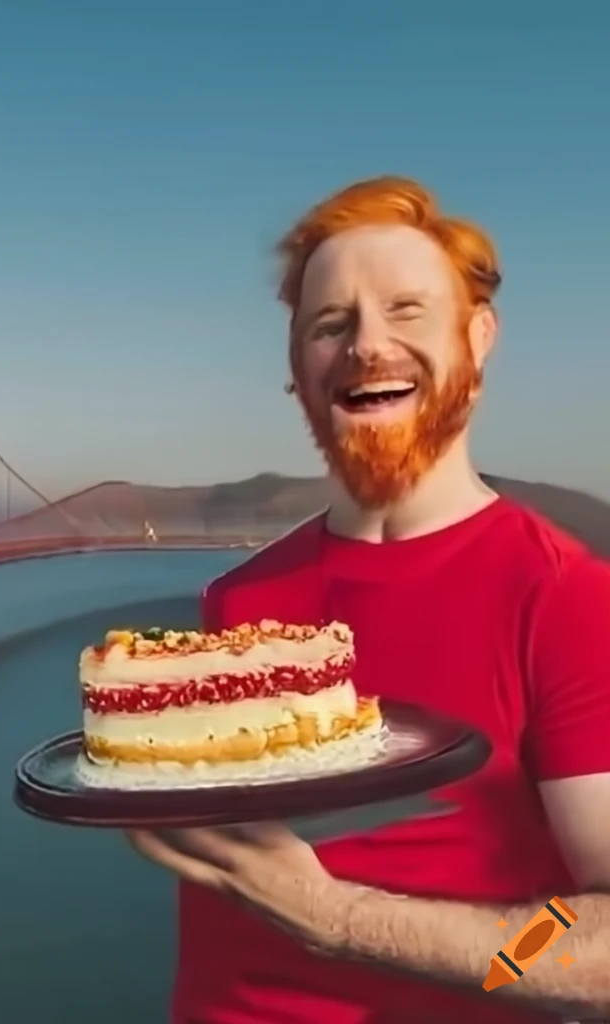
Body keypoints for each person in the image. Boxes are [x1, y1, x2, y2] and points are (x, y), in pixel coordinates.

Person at [127, 177, 610, 1023]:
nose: (365, 346)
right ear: (297, 366)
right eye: (330, 324)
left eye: (406, 311)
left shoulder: (565, 599)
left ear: (478, 336)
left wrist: (342, 922)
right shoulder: (239, 598)